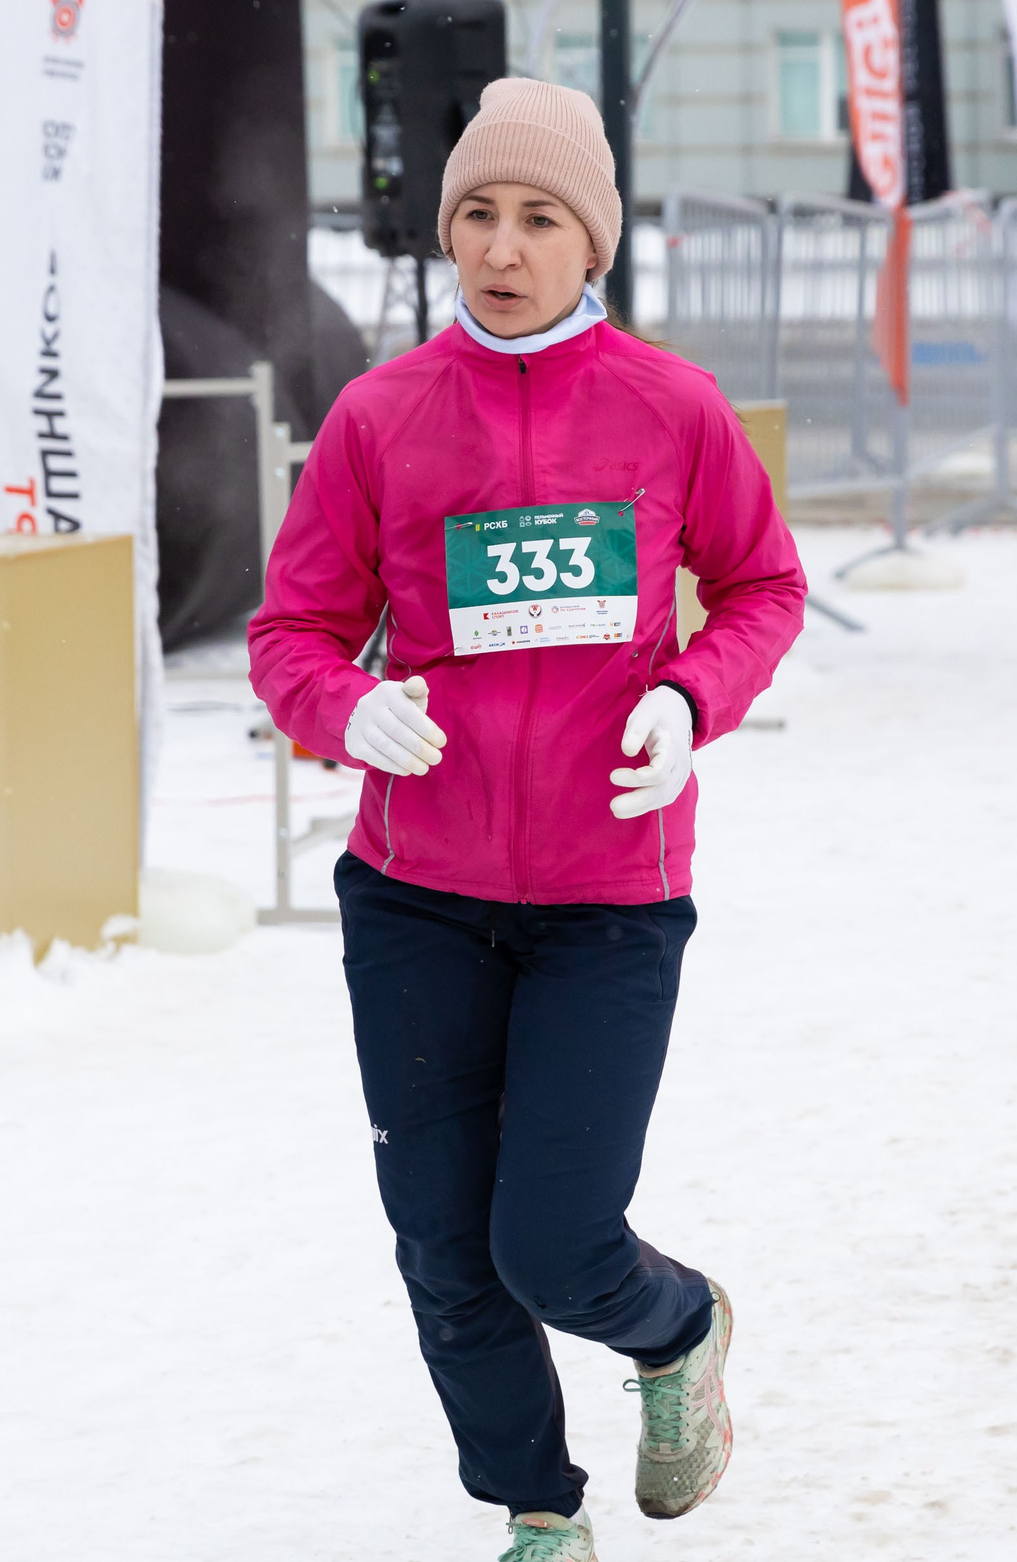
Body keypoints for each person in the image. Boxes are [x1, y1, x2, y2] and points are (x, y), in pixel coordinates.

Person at [249, 78, 805, 1561]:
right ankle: (538, 1511)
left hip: (609, 895)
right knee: (442, 1239)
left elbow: (765, 589)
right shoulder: (380, 418)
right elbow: (293, 628)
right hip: (416, 887)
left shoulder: (671, 410)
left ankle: (677, 1330)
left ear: (592, 244)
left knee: (550, 1240)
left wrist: (689, 702)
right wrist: (339, 706)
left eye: (539, 219)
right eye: (478, 216)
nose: (502, 248)